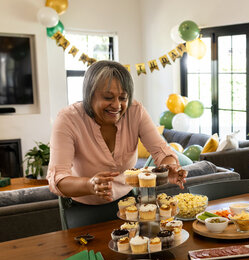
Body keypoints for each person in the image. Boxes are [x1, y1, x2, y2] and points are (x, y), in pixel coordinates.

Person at [47, 60, 186, 225]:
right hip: (82, 208)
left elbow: (161, 150)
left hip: (127, 202)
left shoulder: (135, 111)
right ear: (89, 94)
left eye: (123, 98)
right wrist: (90, 184)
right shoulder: (68, 119)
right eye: (108, 97)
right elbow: (58, 177)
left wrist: (168, 167)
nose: (117, 105)